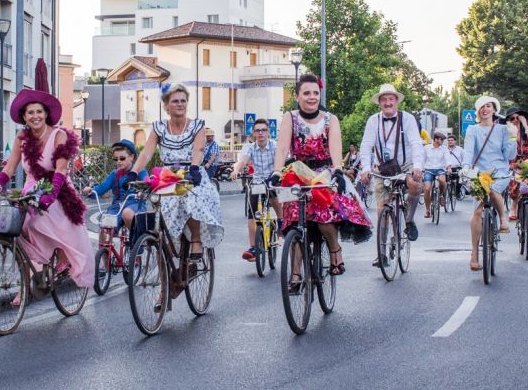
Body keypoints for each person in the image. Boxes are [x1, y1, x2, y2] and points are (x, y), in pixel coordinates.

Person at [0, 60, 94, 295]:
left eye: (39, 112)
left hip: (58, 189)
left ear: (46, 114)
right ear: (24, 116)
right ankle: (28, 283)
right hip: (32, 189)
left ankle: (61, 256)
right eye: (30, 112)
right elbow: (11, 167)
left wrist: (51, 194)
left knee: (38, 221)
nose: (35, 116)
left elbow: (61, 170)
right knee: (15, 226)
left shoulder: (59, 135)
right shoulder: (22, 138)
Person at [273, 74, 372, 278]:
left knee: (323, 217)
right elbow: (282, 148)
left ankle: (335, 249)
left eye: (315, 93)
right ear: (298, 96)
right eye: (306, 93)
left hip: (324, 173)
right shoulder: (290, 117)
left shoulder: (330, 119)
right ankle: (295, 274)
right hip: (298, 173)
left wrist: (337, 169)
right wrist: (276, 172)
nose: (312, 97)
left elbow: (335, 147)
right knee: (293, 221)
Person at [130, 84, 224, 258]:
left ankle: (195, 239)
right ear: (166, 106)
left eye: (183, 101)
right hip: (168, 175)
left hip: (192, 172)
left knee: (190, 200)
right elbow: (146, 153)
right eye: (175, 101)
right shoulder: (158, 127)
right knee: (158, 203)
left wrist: (195, 168)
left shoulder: (197, 125)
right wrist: (133, 172)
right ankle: (170, 244)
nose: (180, 104)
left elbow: (199, 149)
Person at [358, 83, 425, 258]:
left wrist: (417, 166)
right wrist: (365, 169)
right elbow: (366, 146)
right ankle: (381, 252)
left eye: (391, 99)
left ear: (396, 101)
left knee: (415, 185)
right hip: (383, 167)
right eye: (384, 99)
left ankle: (409, 220)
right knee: (381, 208)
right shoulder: (373, 121)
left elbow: (416, 143)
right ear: (379, 102)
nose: (388, 102)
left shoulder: (408, 119)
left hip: (405, 164)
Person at [462, 95, 514, 272]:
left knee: (492, 190)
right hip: (479, 172)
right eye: (482, 107)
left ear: (494, 109)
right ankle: (474, 253)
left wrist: (513, 138)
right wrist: (466, 167)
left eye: (489, 106)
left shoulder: (502, 130)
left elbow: (509, 156)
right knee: (477, 211)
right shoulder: (472, 130)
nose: (485, 109)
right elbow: (469, 151)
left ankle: (503, 219)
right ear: (478, 111)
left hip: (499, 172)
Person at [231, 118, 281, 262]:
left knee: (273, 193)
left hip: (273, 179)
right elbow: (242, 161)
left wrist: (278, 174)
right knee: (252, 214)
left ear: (268, 132)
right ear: (253, 133)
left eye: (263, 130)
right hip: (257, 181)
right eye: (257, 130)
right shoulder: (250, 147)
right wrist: (236, 171)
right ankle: (253, 247)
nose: (260, 133)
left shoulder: (275, 146)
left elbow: (283, 159)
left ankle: (281, 221)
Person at [503, 107, 528, 250]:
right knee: (514, 179)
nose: (515, 121)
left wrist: (525, 125)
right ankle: (514, 205)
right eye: (512, 118)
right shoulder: (507, 132)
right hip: (515, 165)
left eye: (517, 118)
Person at [82, 140, 146, 231]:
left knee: (127, 214)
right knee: (105, 226)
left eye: (122, 158)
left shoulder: (140, 171)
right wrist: (91, 191)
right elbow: (102, 188)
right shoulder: (114, 174)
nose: (118, 162)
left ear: (132, 157)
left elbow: (147, 183)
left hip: (136, 204)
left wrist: (142, 191)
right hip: (117, 206)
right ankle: (105, 245)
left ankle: (137, 242)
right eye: (116, 159)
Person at [422, 132, 450, 218]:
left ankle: (441, 195)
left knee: (442, 181)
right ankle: (427, 210)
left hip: (440, 169)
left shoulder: (444, 149)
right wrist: (421, 170)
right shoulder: (426, 148)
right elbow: (422, 160)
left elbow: (447, 159)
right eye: (441, 139)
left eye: (443, 140)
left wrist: (449, 167)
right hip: (428, 170)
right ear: (435, 139)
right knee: (427, 189)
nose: (442, 141)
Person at [445, 134, 465, 199]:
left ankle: (458, 192)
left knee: (460, 179)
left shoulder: (460, 149)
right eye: (448, 140)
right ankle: (443, 193)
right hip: (447, 168)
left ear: (455, 141)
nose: (450, 141)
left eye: (451, 140)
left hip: (457, 167)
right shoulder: (444, 149)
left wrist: (464, 167)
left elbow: (464, 158)